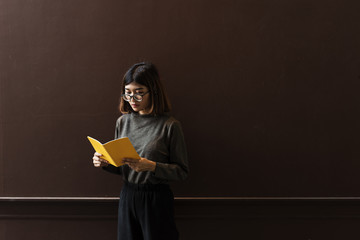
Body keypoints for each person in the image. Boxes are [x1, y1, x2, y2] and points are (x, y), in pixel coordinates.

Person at [92, 62, 189, 240]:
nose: (132, 99)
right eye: (128, 93)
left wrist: (151, 166)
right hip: (128, 196)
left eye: (139, 93)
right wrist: (104, 162)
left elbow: (182, 172)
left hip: (156, 198)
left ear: (153, 91)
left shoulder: (170, 126)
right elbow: (122, 166)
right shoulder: (123, 122)